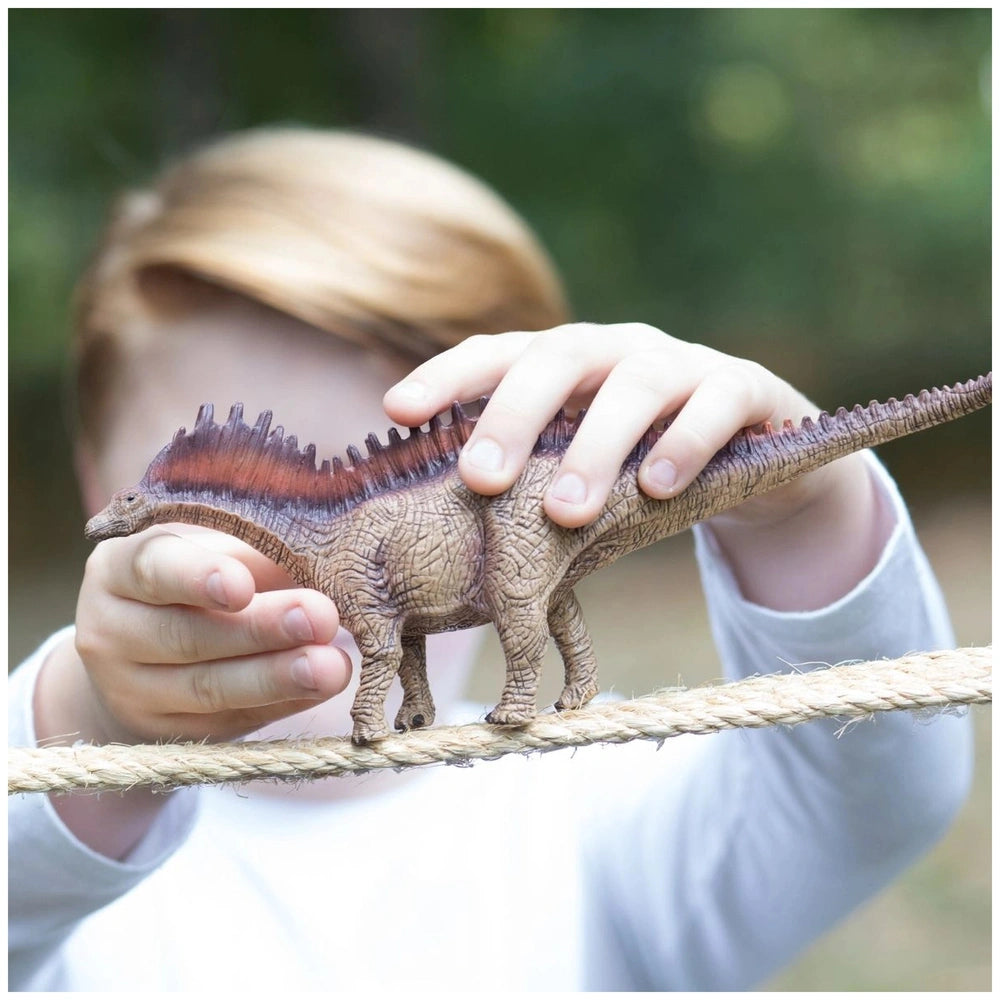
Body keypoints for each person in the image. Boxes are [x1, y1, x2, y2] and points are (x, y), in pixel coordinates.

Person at [8, 126, 970, 991]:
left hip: (525, 667)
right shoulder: (58, 896)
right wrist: (92, 735)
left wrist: (807, 510)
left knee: (507, 593)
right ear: (107, 500)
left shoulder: (582, 801)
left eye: (477, 457)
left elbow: (874, 802)